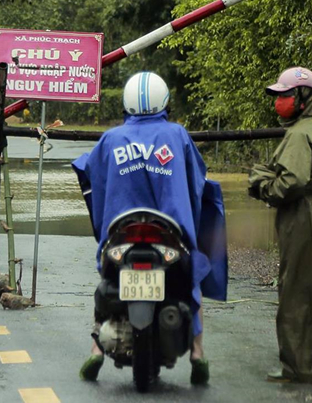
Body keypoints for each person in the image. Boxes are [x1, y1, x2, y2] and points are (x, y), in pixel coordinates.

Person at [72, 71, 227, 386]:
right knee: (189, 281)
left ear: (126, 103)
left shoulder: (110, 140)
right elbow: (197, 178)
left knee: (108, 275)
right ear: (165, 101)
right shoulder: (178, 136)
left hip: (122, 232)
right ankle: (197, 353)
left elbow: (93, 178)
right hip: (170, 230)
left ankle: (96, 350)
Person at [248, 66, 312, 383]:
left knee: (296, 292)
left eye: (285, 95)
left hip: (303, 212)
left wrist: (263, 187)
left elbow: (293, 180)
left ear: (302, 98)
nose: (279, 102)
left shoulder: (300, 134)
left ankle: (298, 368)